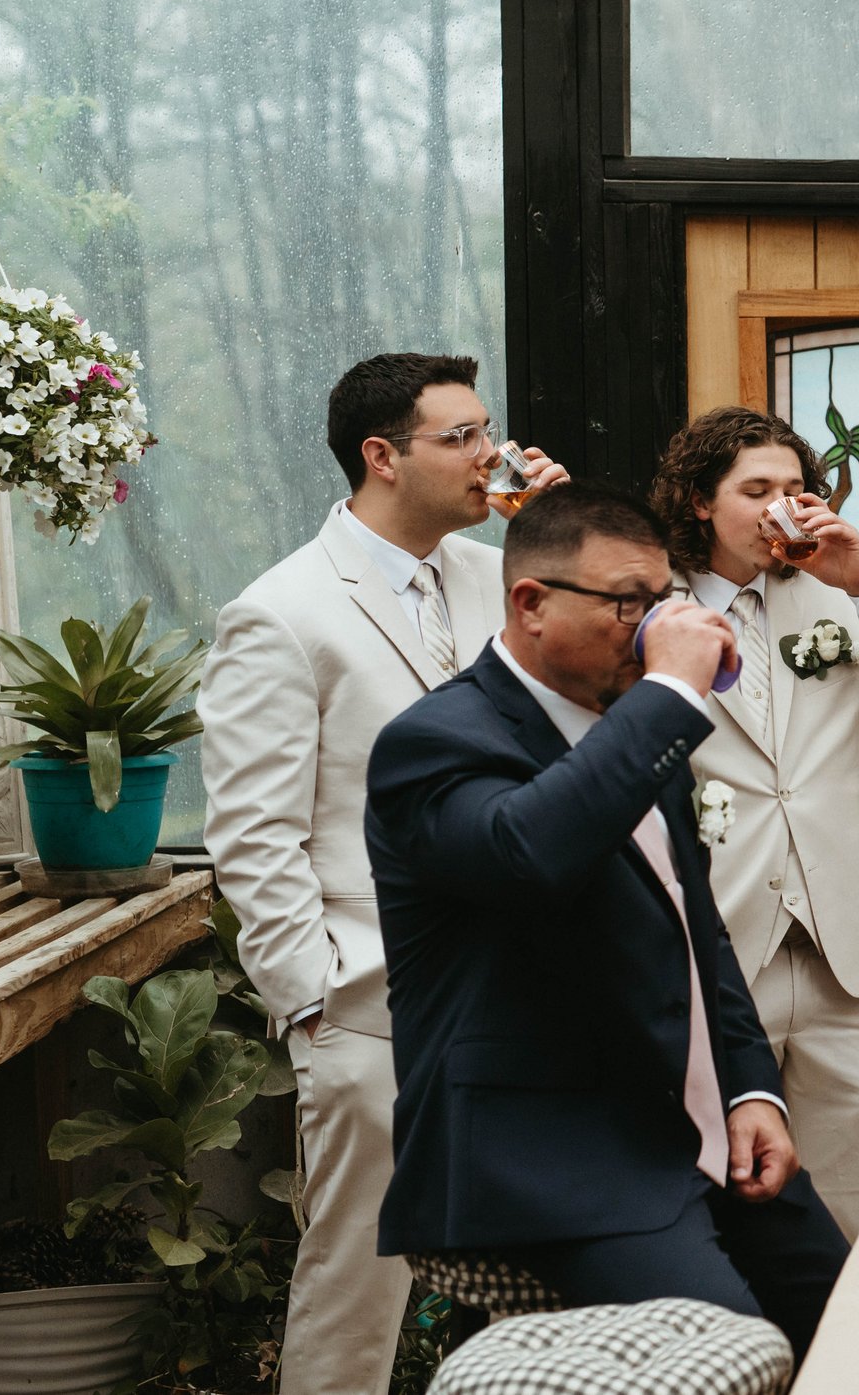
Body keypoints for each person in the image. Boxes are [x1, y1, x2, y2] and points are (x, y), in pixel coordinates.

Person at [365, 485, 847, 1356]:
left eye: (662, 599)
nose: (651, 623)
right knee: (725, 1357)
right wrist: (668, 693)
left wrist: (750, 1087)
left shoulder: (637, 731)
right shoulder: (435, 740)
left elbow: (699, 936)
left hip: (691, 1128)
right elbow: (529, 856)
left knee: (855, 1332)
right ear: (531, 602)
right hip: (551, 1153)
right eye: (628, 602)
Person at [198, 353, 565, 1395]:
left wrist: (557, 529)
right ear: (382, 456)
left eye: (488, 428)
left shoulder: (501, 575)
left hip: (522, 986)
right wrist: (314, 1001)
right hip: (373, 1007)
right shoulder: (284, 611)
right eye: (460, 435)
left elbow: (615, 671)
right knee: (358, 1282)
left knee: (542, 1272)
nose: (489, 451)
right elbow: (255, 836)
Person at [650, 406, 859, 1239]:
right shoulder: (653, 608)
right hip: (712, 937)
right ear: (697, 501)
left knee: (850, 1186)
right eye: (755, 489)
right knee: (708, 1178)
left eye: (795, 487)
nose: (780, 505)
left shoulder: (841, 594)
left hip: (845, 942)